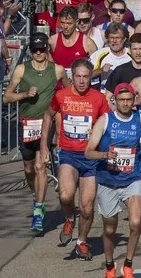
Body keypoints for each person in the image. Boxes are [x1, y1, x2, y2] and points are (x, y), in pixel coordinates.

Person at [85, 83, 141, 278]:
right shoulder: (105, 120)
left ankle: (128, 266)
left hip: (132, 179)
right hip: (108, 180)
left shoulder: (140, 119)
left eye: (129, 100)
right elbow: (88, 152)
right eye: (122, 100)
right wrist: (104, 155)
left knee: (136, 222)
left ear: (134, 100)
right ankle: (110, 268)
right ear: (115, 101)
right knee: (110, 228)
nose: (126, 104)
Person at [45, 58, 110, 259]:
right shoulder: (62, 96)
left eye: (85, 77)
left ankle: (81, 241)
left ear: (91, 78)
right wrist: (43, 145)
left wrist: (99, 133)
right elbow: (48, 115)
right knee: (66, 195)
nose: (81, 81)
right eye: (78, 76)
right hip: (68, 154)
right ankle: (68, 218)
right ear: (72, 77)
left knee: (88, 207)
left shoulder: (98, 98)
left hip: (90, 157)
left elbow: (108, 123)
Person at [2, 33, 64, 234]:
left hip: (46, 124)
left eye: (42, 49)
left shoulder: (57, 70)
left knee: (40, 167)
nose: (38, 53)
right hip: (26, 124)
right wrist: (24, 94)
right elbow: (6, 97)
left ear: (47, 50)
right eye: (35, 50)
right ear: (30, 51)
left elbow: (67, 95)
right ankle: (35, 194)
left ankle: (39, 209)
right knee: (28, 168)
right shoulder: (22, 69)